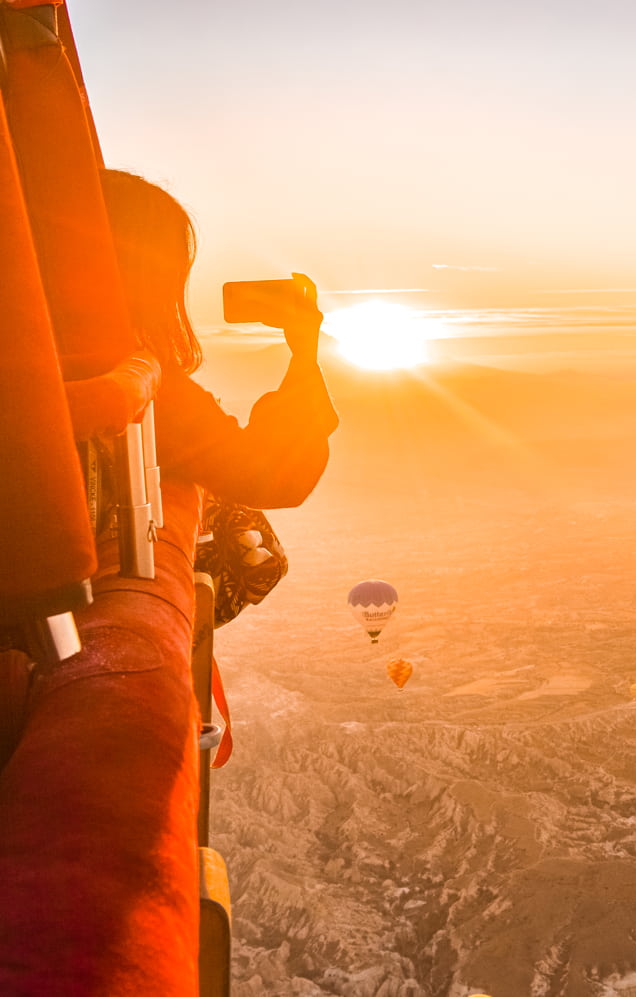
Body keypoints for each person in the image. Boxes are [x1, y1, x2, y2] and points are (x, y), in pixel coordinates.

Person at [0, 169, 338, 996]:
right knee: (247, 534)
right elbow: (276, 469)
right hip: (48, 639)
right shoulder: (133, 382)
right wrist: (304, 349)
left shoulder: (34, 356)